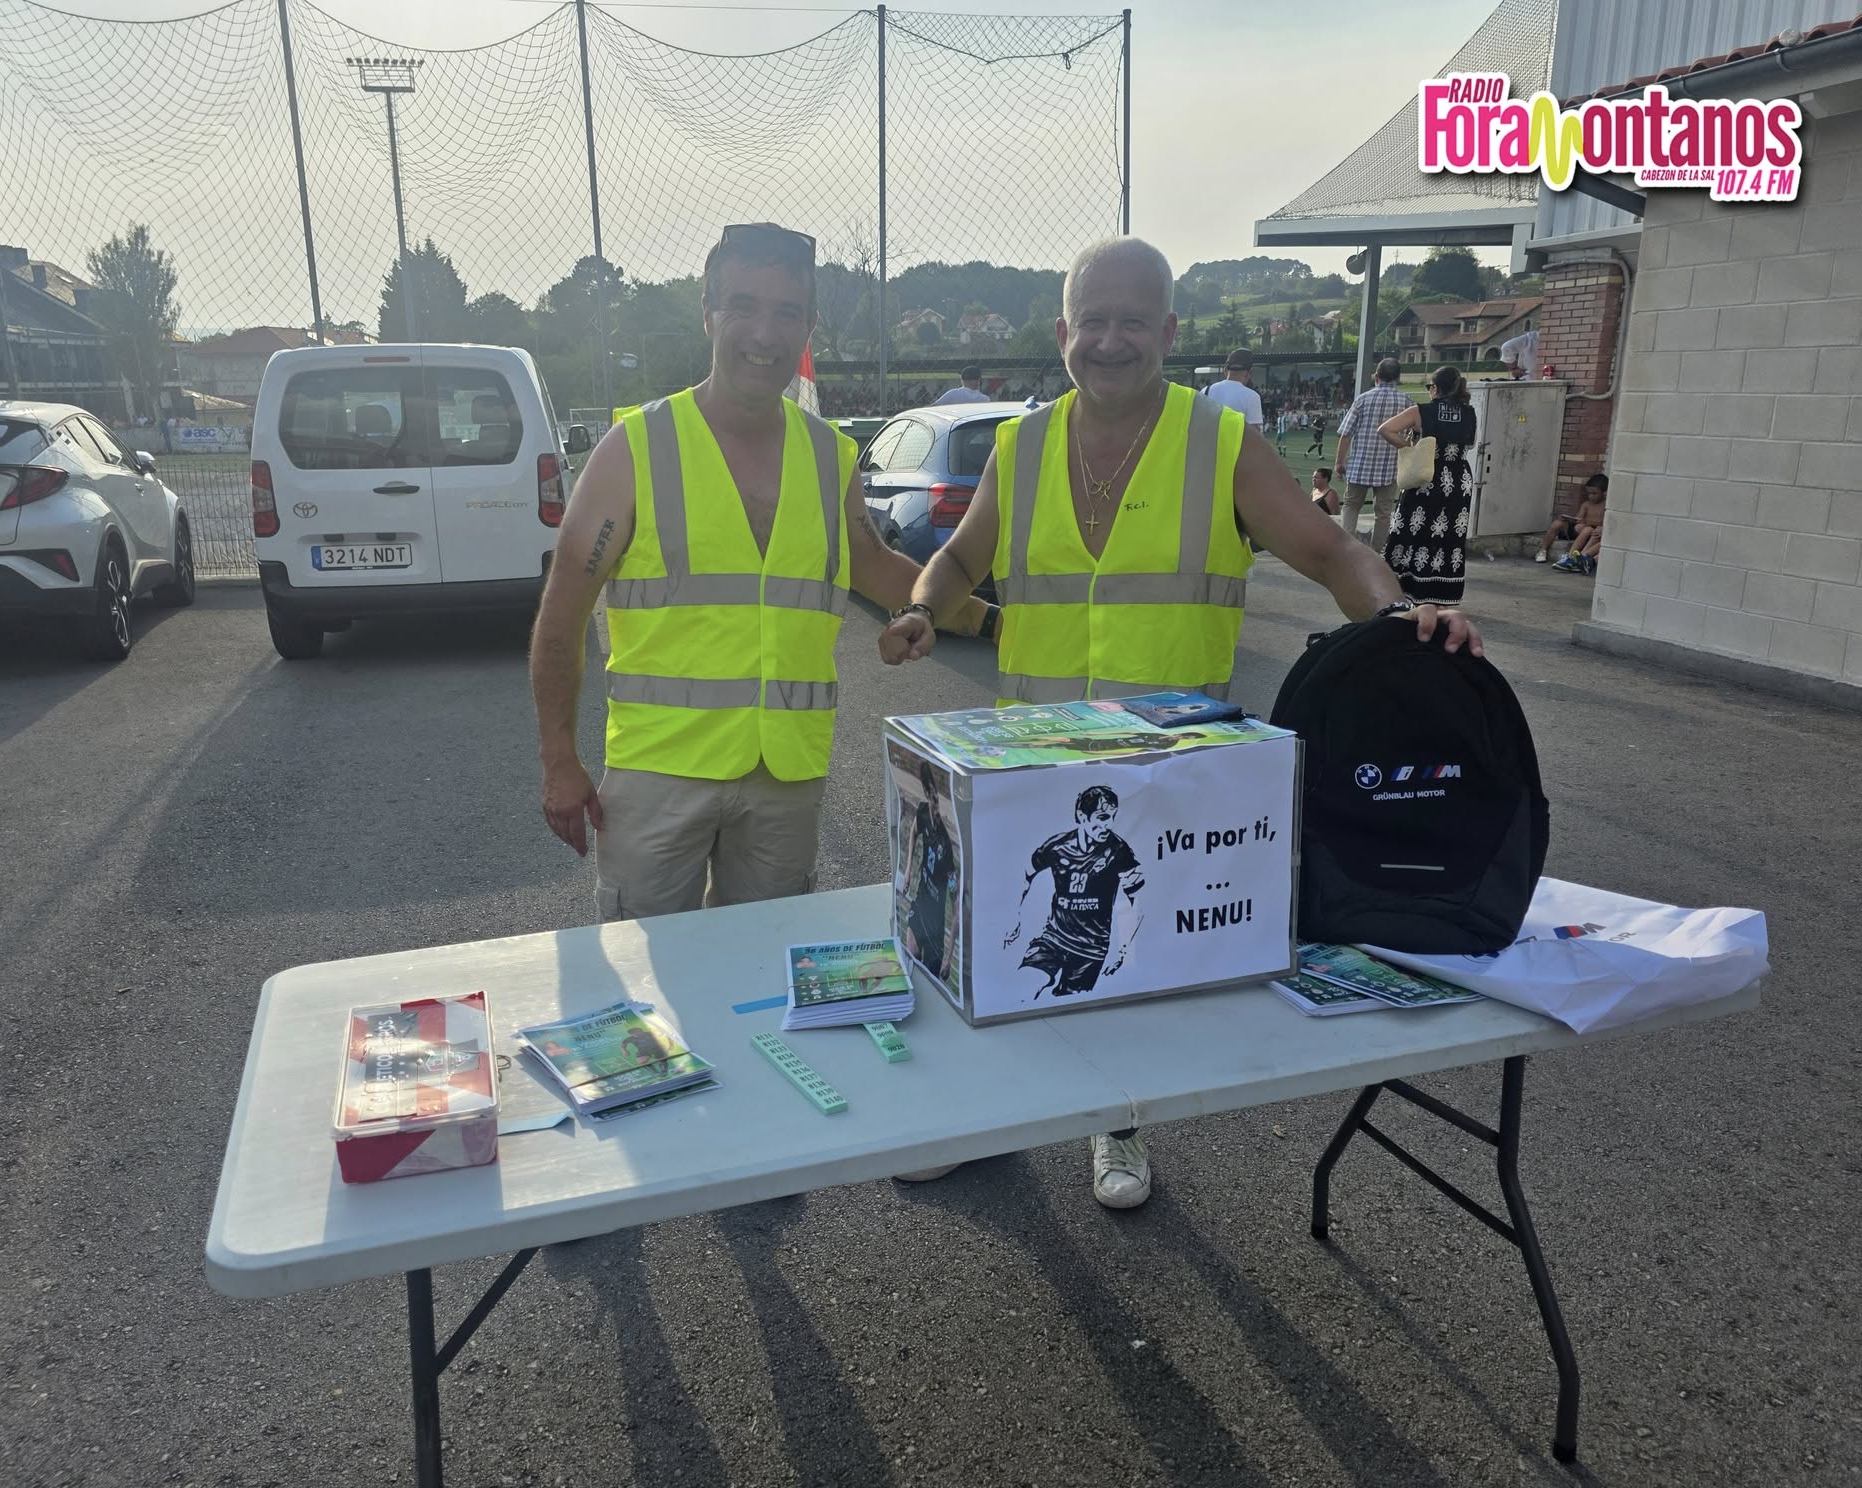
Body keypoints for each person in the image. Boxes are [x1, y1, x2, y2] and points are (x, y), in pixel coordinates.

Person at [878, 235, 1482, 1209]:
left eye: (1132, 321)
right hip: (1029, 761)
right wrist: (920, 605)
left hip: (1161, 768)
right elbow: (958, 559)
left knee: (1126, 959)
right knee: (1009, 944)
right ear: (1063, 333)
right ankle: (987, 1119)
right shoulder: (1021, 447)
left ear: (1166, 333)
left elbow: (1332, 554)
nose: (1110, 340)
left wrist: (1400, 616)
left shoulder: (1220, 444)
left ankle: (1116, 1122)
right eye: (1093, 321)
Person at [530, 222, 996, 919]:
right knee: (656, 974)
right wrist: (559, 761)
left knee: (770, 965)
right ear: (708, 312)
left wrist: (988, 621)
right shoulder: (636, 448)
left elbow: (873, 565)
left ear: (809, 326)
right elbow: (563, 613)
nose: (764, 332)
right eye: (743, 305)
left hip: (786, 775)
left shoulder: (828, 455)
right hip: (659, 771)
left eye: (786, 312)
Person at [1004, 785, 1145, 999]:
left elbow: (1138, 900)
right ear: (1082, 816)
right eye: (1102, 817)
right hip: (1053, 938)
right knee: (1023, 988)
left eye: (1112, 817)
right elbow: (1023, 876)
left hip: (1091, 951)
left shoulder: (1119, 851)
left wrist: (1124, 950)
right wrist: (1013, 917)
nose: (1108, 825)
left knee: (1068, 1006)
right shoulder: (1057, 846)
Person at [1377, 366, 1478, 605]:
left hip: (1427, 475)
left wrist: (1409, 448)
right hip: (1458, 479)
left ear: (1435, 387)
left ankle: (1408, 586)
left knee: (1413, 529)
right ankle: (1443, 593)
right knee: (1449, 535)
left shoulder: (1422, 411)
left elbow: (1386, 429)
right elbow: (1471, 443)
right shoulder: (1469, 412)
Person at [1333, 357, 1414, 549]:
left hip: (1360, 465)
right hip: (1389, 467)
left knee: (1351, 506)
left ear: (1376, 376)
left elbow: (1346, 434)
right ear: (1398, 378)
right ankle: (1377, 552)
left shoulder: (1363, 399)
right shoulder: (1407, 401)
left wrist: (1339, 462)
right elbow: (1413, 434)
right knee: (1383, 513)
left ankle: (1348, 550)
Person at [897, 760, 957, 983]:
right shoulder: (922, 813)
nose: (934, 802)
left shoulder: (946, 844)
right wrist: (908, 869)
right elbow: (913, 833)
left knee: (929, 980)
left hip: (936, 927)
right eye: (930, 795)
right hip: (920, 904)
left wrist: (949, 957)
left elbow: (956, 905)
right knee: (910, 956)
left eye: (936, 798)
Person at [1541, 472, 1606, 567]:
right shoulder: (1586, 504)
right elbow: (1578, 518)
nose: (1591, 496)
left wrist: (1589, 524)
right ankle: (1543, 551)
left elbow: (1604, 524)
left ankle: (1571, 556)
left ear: (1604, 493)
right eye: (1588, 493)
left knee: (1588, 529)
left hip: (1592, 533)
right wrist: (1571, 519)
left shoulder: (1606, 506)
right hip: (1579, 530)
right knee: (1558, 523)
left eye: (1594, 493)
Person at [1202, 348, 1264, 428]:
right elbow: (1255, 432)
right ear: (1249, 373)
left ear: (1225, 370)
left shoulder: (1206, 391)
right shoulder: (1252, 396)